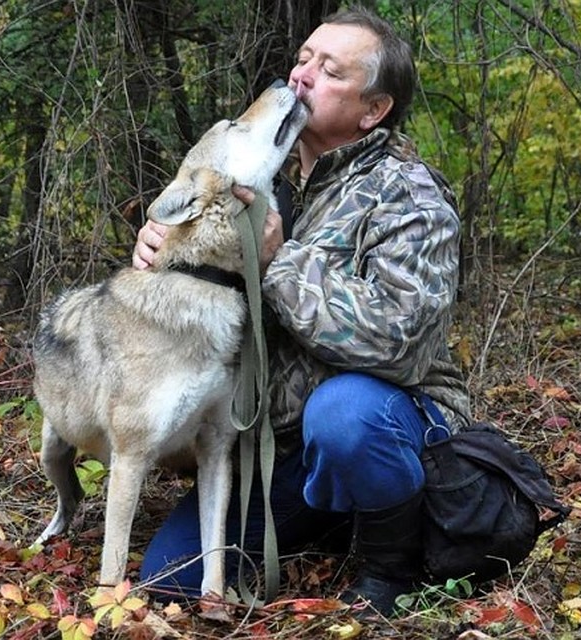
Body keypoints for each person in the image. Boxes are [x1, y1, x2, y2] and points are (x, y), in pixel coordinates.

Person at [132, 5, 472, 616]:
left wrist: (278, 260)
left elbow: (395, 342)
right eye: (304, 59)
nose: (303, 75)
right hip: (280, 449)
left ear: (374, 110)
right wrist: (164, 246)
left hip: (389, 423)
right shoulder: (260, 173)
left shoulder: (409, 194)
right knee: (172, 580)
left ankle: (392, 564)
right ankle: (333, 516)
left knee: (345, 413)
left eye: (331, 70)